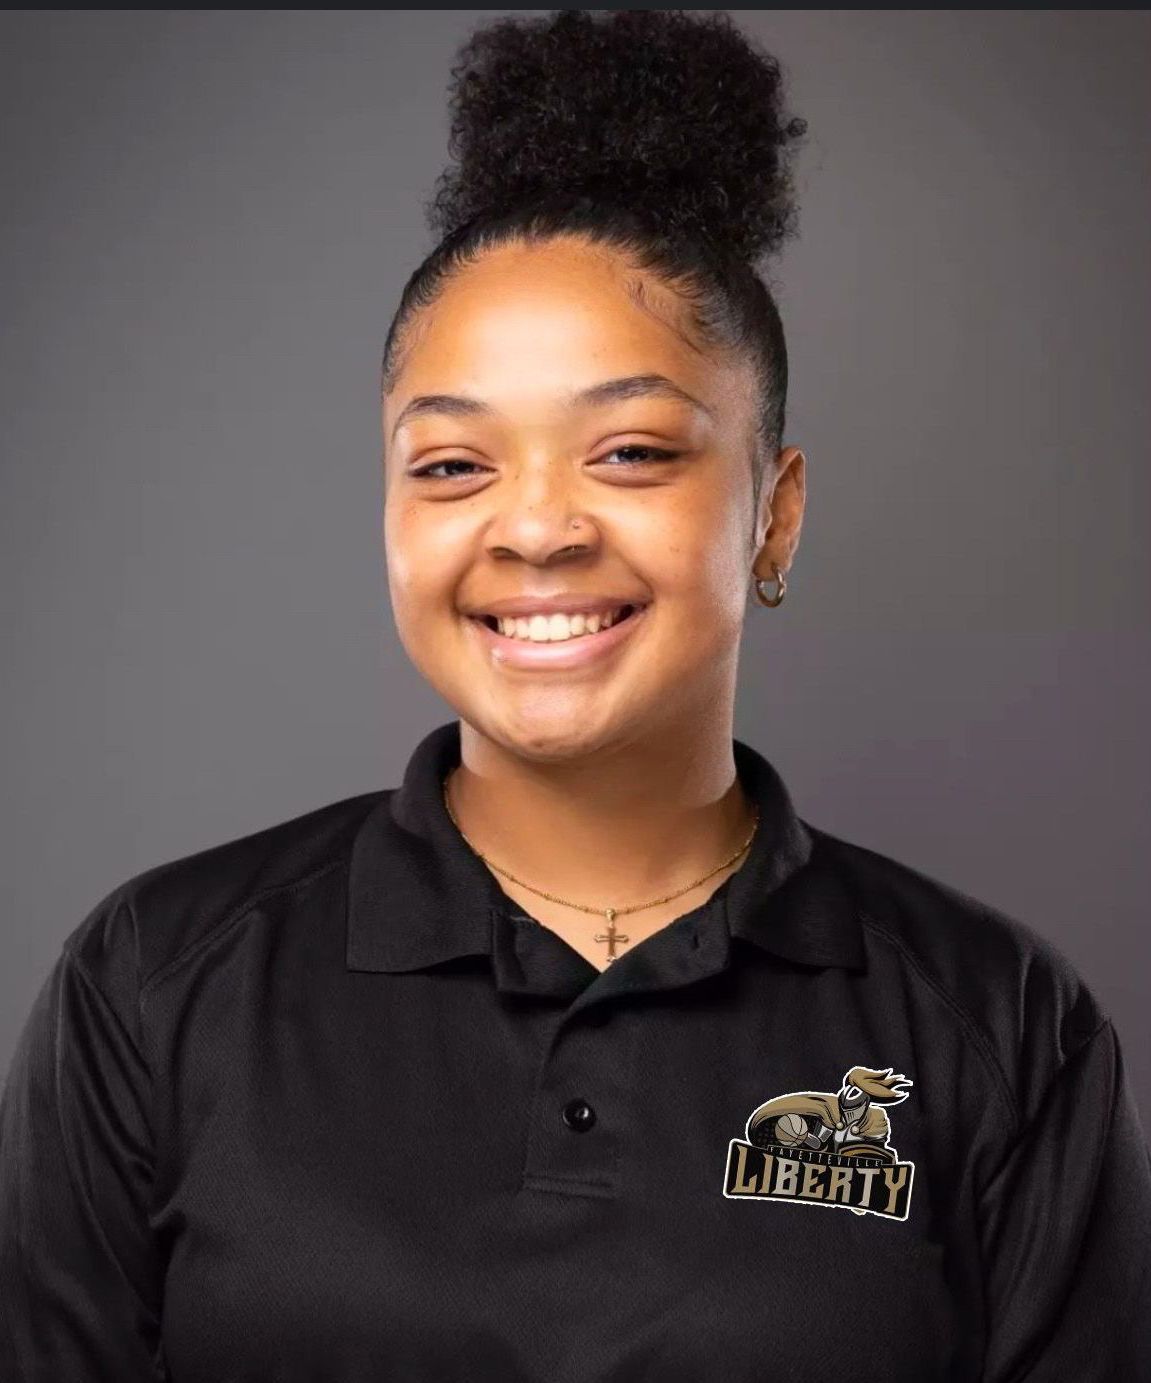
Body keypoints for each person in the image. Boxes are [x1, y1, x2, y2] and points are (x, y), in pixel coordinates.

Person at [2, 10, 1149, 1381]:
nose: (535, 529)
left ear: (775, 516)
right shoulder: (153, 987)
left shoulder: (1000, 1026)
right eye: (451, 467)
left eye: (631, 451)